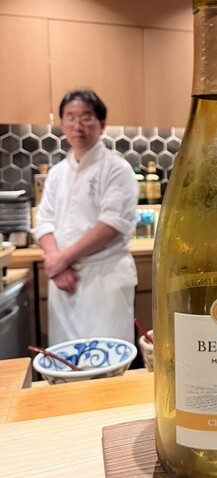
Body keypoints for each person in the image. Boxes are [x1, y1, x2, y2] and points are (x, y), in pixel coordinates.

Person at [35, 88, 139, 345]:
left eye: (86, 117)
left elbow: (110, 226)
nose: (77, 126)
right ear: (61, 124)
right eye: (70, 117)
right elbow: (44, 221)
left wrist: (61, 261)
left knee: (108, 353)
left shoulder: (117, 169)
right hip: (63, 282)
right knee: (64, 355)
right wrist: (57, 263)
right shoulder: (57, 173)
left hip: (104, 279)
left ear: (102, 124)